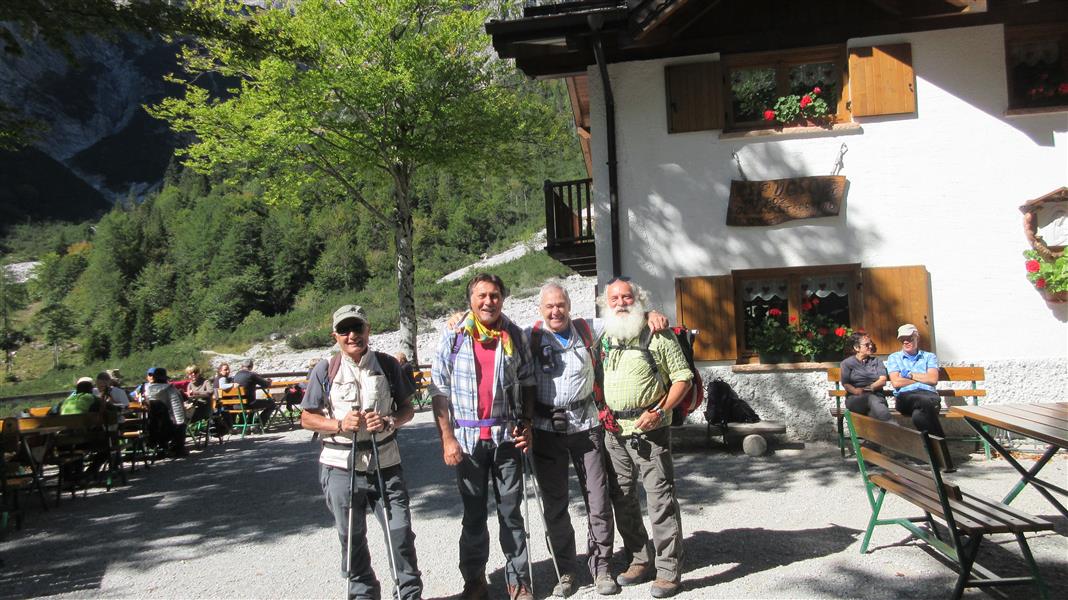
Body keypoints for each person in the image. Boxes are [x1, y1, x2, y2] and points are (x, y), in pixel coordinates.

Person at [525, 281, 670, 597]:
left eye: (560, 305)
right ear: (540, 309)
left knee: (598, 500)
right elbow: (498, 335)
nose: (555, 311)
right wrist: (460, 320)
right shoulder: (529, 336)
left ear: (569, 306)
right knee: (555, 505)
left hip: (587, 427)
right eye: (549, 306)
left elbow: (625, 314)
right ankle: (566, 571)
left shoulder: (586, 329)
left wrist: (651, 314)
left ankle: (601, 568)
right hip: (546, 430)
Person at [300, 304, 422, 600]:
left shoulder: (388, 365)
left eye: (357, 328)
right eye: (344, 330)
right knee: (351, 538)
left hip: (386, 463)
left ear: (368, 330)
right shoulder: (325, 369)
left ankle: (409, 593)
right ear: (335, 335)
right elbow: (307, 418)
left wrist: (389, 421)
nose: (352, 335)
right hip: (340, 465)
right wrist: (339, 424)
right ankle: (363, 594)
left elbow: (407, 409)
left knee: (400, 532)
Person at [430, 273, 536, 600]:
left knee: (511, 512)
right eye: (482, 296)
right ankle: (475, 580)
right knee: (474, 515)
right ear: (471, 301)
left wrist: (527, 423)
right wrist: (447, 439)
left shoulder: (515, 335)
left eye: (494, 295)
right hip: (467, 442)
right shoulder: (454, 336)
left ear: (502, 299)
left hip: (506, 439)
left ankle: (518, 581)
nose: (489, 301)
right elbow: (439, 391)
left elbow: (528, 382)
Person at [598, 277, 692, 599]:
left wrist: (660, 410)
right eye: (614, 298)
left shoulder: (658, 334)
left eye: (627, 297)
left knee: (660, 500)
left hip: (650, 430)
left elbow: (683, 377)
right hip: (614, 432)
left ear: (638, 299)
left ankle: (668, 571)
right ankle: (640, 560)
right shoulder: (605, 336)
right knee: (622, 498)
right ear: (605, 303)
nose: (621, 303)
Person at [886, 324, 945, 438]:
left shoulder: (929, 357)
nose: (905, 342)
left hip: (929, 395)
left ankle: (931, 448)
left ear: (917, 338)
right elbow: (896, 383)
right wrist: (922, 379)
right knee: (924, 401)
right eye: (902, 339)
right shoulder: (894, 358)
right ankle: (941, 442)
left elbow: (933, 379)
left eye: (909, 338)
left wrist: (909, 375)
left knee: (918, 417)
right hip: (905, 398)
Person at [840, 333, 890, 421]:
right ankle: (891, 424)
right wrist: (856, 391)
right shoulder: (847, 363)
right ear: (856, 348)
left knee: (874, 410)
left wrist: (868, 389)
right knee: (871, 399)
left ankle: (886, 425)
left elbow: (882, 380)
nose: (870, 346)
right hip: (856, 399)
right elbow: (846, 384)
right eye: (867, 345)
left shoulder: (877, 361)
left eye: (871, 344)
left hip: (877, 398)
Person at [142, 367, 188, 457]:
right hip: (169, 426)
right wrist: (180, 423)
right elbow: (176, 407)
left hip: (151, 426)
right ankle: (179, 449)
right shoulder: (170, 390)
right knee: (181, 424)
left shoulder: (147, 390)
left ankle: (161, 447)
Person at [233, 358, 275, 428]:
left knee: (252, 400)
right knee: (272, 403)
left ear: (242, 366)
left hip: (236, 404)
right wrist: (269, 382)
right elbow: (266, 385)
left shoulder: (236, 375)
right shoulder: (251, 375)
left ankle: (247, 424)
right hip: (248, 405)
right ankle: (258, 424)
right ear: (251, 366)